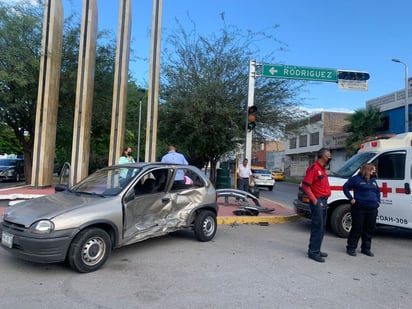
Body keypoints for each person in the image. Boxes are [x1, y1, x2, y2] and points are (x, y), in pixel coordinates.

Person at [301, 148, 332, 263]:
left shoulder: (322, 169)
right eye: (328, 155)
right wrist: (314, 200)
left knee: (322, 227)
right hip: (318, 201)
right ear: (322, 156)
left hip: (324, 201)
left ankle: (317, 249)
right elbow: (305, 186)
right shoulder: (313, 168)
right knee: (317, 226)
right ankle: (313, 252)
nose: (330, 158)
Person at [343, 163, 380, 257]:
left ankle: (366, 248)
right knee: (357, 228)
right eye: (372, 170)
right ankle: (351, 247)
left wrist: (378, 201)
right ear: (367, 170)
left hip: (372, 208)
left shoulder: (373, 180)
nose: (374, 172)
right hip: (359, 208)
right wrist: (351, 199)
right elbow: (345, 187)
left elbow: (377, 191)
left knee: (369, 229)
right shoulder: (356, 179)